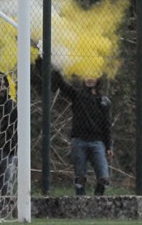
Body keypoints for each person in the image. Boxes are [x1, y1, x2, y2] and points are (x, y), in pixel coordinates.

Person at [44, 61, 114, 196]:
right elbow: (62, 84)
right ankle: (81, 202)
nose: (89, 78)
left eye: (93, 75)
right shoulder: (77, 95)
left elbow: (107, 125)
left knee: (104, 178)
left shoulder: (104, 101)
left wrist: (109, 145)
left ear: (98, 78)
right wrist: (56, 66)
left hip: (97, 142)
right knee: (80, 178)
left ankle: (97, 200)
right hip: (79, 141)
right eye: (87, 75)